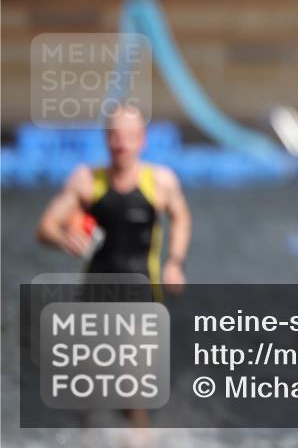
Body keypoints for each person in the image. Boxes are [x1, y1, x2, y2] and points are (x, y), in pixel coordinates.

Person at [36, 105, 192, 430]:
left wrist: (175, 262)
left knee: (134, 397)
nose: (121, 143)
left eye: (129, 136)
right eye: (114, 135)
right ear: (106, 139)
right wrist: (63, 236)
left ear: (142, 140)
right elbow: (46, 227)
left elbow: (181, 217)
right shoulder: (86, 181)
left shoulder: (160, 182)